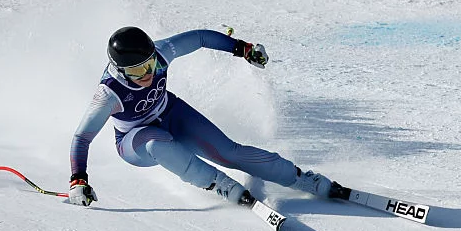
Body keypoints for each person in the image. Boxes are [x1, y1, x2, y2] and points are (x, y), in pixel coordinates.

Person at [67, 26, 343, 208]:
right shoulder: (108, 94)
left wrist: (242, 48)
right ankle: (221, 185)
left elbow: (199, 38)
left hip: (169, 113)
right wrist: (78, 180)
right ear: (121, 71)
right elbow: (82, 137)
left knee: (229, 151)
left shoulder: (161, 53)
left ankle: (301, 179)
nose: (148, 74)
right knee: (157, 143)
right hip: (134, 140)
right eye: (138, 72)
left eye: (149, 65)